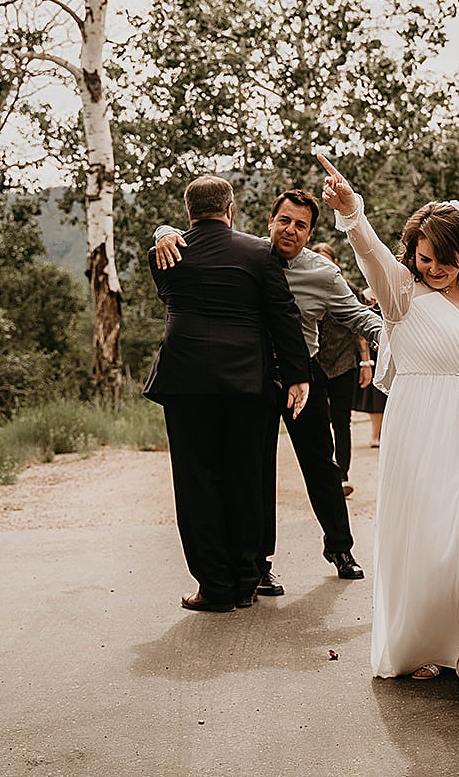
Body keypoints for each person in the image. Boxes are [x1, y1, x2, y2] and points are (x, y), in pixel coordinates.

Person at [319, 153, 459, 711]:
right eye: (424, 259)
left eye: (443, 260)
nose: (432, 268)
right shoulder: (402, 292)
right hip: (423, 429)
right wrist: (352, 214)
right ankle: (424, 641)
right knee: (428, 543)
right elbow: (372, 257)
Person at [154, 190, 383, 594]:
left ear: (310, 232)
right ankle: (259, 565)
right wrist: (164, 231)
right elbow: (201, 236)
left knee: (321, 465)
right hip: (253, 378)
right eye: (284, 221)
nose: (290, 230)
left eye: (300, 225)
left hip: (304, 376)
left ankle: (340, 548)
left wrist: (401, 338)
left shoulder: (323, 274)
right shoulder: (247, 255)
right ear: (270, 220)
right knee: (255, 473)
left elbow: (356, 316)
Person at [141, 175, 310, 613]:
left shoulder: (166, 254)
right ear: (230, 209)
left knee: (197, 483)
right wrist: (297, 375)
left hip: (187, 382)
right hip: (246, 383)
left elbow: (167, 296)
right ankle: (247, 580)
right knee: (248, 479)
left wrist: (163, 234)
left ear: (189, 212)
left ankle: (214, 587)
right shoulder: (259, 251)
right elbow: (283, 315)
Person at [311, 241, 371, 495]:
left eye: (327, 261)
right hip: (314, 362)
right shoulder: (304, 288)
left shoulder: (349, 290)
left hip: (345, 363)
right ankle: (324, 474)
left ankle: (342, 475)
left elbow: (360, 327)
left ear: (335, 263)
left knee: (341, 421)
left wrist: (366, 362)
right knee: (318, 422)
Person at [355, 286, 389, 447]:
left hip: (389, 348)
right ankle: (375, 434)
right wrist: (366, 361)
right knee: (375, 396)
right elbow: (361, 333)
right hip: (372, 351)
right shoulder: (363, 296)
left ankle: (385, 433)